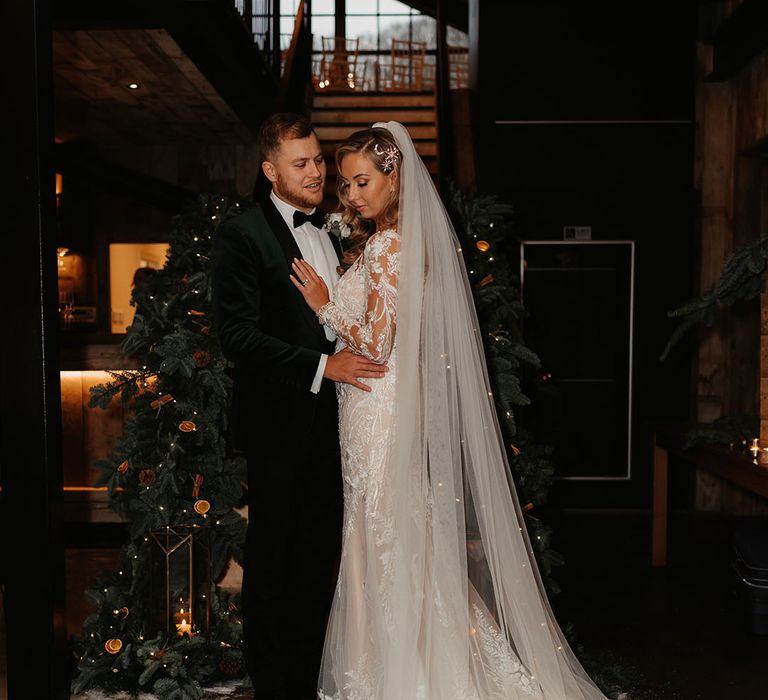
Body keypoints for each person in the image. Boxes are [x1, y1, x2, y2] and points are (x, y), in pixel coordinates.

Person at [290, 123, 610, 699]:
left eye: (363, 181)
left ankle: (400, 674)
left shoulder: (390, 245)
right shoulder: (394, 239)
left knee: (381, 533)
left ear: (395, 176)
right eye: (347, 184)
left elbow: (379, 341)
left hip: (375, 406)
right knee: (384, 533)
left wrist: (323, 307)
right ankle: (399, 664)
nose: (353, 195)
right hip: (367, 407)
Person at [211, 113, 388, 700]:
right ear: (270, 171)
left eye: (317, 160)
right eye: (301, 163)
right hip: (279, 424)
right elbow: (236, 335)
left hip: (342, 424)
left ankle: (314, 680)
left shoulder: (341, 229)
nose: (316, 172)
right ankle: (274, 689)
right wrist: (321, 367)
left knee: (320, 563)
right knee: (272, 568)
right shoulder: (243, 236)